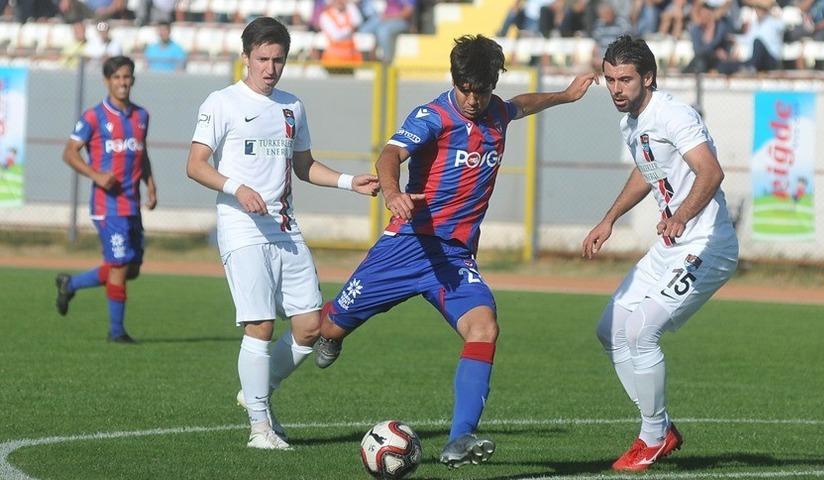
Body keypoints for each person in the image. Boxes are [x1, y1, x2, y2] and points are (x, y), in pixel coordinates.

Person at [313, 34, 597, 468]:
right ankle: (332, 330)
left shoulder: (497, 112)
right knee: (326, 330)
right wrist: (392, 193)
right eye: (465, 88)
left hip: (454, 257)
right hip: (407, 246)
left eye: (481, 90)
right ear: (454, 80)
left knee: (485, 327)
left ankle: (460, 438)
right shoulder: (434, 116)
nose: (472, 98)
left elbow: (523, 103)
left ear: (491, 85)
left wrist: (565, 95)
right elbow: (390, 154)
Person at [185, 17, 379, 451]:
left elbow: (305, 166)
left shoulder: (292, 106)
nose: (270, 68)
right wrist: (237, 188)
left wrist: (351, 182)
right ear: (246, 58)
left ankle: (254, 391)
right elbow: (196, 164)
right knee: (260, 325)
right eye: (263, 59)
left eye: (278, 60)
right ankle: (260, 427)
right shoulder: (222, 102)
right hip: (242, 228)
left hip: (286, 229)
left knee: (311, 326)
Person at [583, 35, 738, 472]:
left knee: (641, 331)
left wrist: (683, 215)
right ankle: (662, 427)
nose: (616, 88)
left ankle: (651, 437)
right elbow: (647, 172)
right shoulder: (630, 122)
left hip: (707, 245)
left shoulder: (672, 114)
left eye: (625, 79)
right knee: (610, 328)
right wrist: (608, 219)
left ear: (647, 77)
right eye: (610, 79)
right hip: (672, 246)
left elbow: (711, 172)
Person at [55, 55, 157, 344]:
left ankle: (70, 283)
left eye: (126, 77)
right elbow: (70, 153)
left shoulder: (142, 116)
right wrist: (95, 175)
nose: (122, 82)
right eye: (116, 78)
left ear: (132, 80)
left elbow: (142, 153)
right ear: (107, 81)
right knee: (120, 266)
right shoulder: (93, 117)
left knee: (131, 268)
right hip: (107, 205)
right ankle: (116, 332)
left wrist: (150, 183)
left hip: (132, 203)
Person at [319, 0, 363, 64]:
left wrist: (349, 4)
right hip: (333, 60)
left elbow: (358, 21)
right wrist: (350, 29)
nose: (340, 1)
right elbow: (337, 36)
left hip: (352, 58)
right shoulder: (325, 15)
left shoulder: (349, 11)